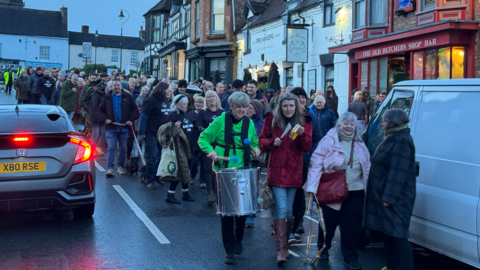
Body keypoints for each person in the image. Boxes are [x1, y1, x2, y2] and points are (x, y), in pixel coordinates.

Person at [198, 92, 261, 265]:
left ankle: (238, 239)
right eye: (238, 106)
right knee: (226, 213)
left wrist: (256, 149)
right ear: (231, 106)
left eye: (244, 107)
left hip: (243, 170)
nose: (241, 110)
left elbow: (254, 142)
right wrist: (210, 151)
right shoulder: (219, 121)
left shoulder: (249, 123)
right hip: (224, 171)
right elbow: (203, 137)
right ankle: (229, 251)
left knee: (242, 211)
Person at [304, 112, 370, 270]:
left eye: (351, 124)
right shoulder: (329, 140)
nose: (348, 126)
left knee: (352, 227)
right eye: (345, 123)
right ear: (339, 125)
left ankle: (350, 257)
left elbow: (367, 167)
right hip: (332, 190)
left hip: (356, 191)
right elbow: (316, 162)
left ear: (356, 126)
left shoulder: (360, 142)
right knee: (328, 223)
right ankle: (323, 248)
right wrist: (312, 187)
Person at [259, 93, 312, 265]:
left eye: (291, 105)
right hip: (276, 171)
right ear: (280, 107)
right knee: (281, 208)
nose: (288, 109)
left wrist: (303, 135)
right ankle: (281, 250)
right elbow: (261, 140)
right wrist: (271, 143)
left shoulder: (304, 122)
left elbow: (306, 147)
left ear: (296, 106)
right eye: (285, 106)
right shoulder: (272, 119)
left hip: (294, 171)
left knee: (289, 211)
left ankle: (285, 245)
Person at [363, 109, 416, 270]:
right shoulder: (392, 137)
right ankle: (391, 266)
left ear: (394, 122)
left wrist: (388, 197)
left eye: (384, 121)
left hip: (397, 199)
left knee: (399, 237)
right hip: (385, 196)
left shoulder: (402, 140)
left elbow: (398, 171)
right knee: (388, 235)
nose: (382, 124)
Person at [97, 80, 137, 177]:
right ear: (111, 87)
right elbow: (99, 111)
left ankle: (120, 166)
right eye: (114, 85)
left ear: (121, 87)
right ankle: (110, 168)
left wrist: (130, 120)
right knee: (111, 147)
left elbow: (134, 109)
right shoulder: (106, 97)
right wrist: (105, 119)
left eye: (118, 85)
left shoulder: (127, 97)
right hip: (111, 127)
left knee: (123, 148)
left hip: (124, 128)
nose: (116, 87)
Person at [162, 94, 196, 204]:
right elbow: (167, 132)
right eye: (183, 104)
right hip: (178, 148)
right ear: (176, 104)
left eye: (186, 104)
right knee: (178, 172)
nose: (185, 106)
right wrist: (174, 128)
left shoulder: (185, 114)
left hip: (188, 147)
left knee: (186, 171)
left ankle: (185, 192)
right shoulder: (173, 116)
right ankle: (170, 194)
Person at [141, 82, 172, 189]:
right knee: (152, 157)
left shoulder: (165, 100)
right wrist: (141, 132)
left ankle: (156, 175)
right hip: (152, 132)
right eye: (168, 89)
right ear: (162, 89)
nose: (169, 91)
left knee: (162, 156)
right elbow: (144, 116)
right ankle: (149, 179)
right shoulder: (151, 100)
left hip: (163, 134)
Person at [197, 90, 224, 203]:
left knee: (218, 168)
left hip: (220, 144)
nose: (211, 99)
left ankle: (217, 191)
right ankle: (210, 193)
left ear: (216, 98)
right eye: (208, 97)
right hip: (208, 143)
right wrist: (207, 131)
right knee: (208, 168)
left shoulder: (222, 112)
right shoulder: (202, 112)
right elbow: (198, 126)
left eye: (213, 96)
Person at [243, 99, 265, 228]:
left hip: (254, 160)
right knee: (241, 185)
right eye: (246, 107)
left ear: (256, 110)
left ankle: (251, 214)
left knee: (252, 187)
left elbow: (262, 141)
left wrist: (257, 149)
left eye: (250, 108)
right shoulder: (241, 121)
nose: (247, 110)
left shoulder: (261, 123)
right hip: (240, 158)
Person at [188, 95, 206, 188]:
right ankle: (192, 175)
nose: (198, 104)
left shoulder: (205, 114)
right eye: (197, 102)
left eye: (200, 102)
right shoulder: (190, 114)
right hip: (193, 140)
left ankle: (202, 180)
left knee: (203, 161)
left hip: (203, 140)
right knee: (194, 161)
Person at [89, 80, 107, 156]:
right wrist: (101, 118)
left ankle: (98, 147)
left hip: (103, 117)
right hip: (95, 117)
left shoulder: (105, 95)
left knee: (103, 133)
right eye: (105, 87)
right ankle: (92, 149)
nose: (107, 88)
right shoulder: (95, 95)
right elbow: (95, 108)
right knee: (95, 133)